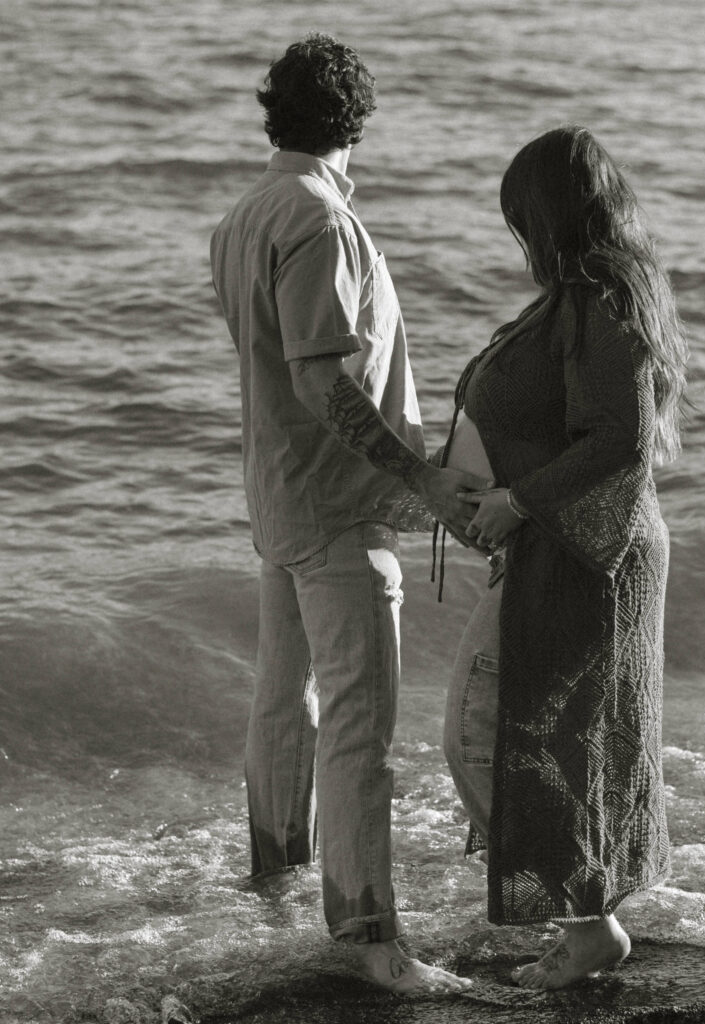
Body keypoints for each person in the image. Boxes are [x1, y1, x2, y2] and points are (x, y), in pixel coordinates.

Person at [209, 34, 483, 996]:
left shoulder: (243, 215)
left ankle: (274, 884)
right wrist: (421, 478)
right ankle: (370, 937)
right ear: (356, 121)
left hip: (277, 491)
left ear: (272, 113)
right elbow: (320, 378)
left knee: (284, 702)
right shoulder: (320, 219)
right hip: (334, 503)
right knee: (358, 727)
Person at [441, 125, 688, 990]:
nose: (517, 236)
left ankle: (589, 926)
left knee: (480, 734)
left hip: (588, 556)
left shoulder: (599, 297)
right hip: (566, 549)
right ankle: (586, 919)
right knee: (542, 738)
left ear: (544, 214)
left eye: (519, 216)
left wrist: (516, 501)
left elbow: (619, 438)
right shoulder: (583, 297)